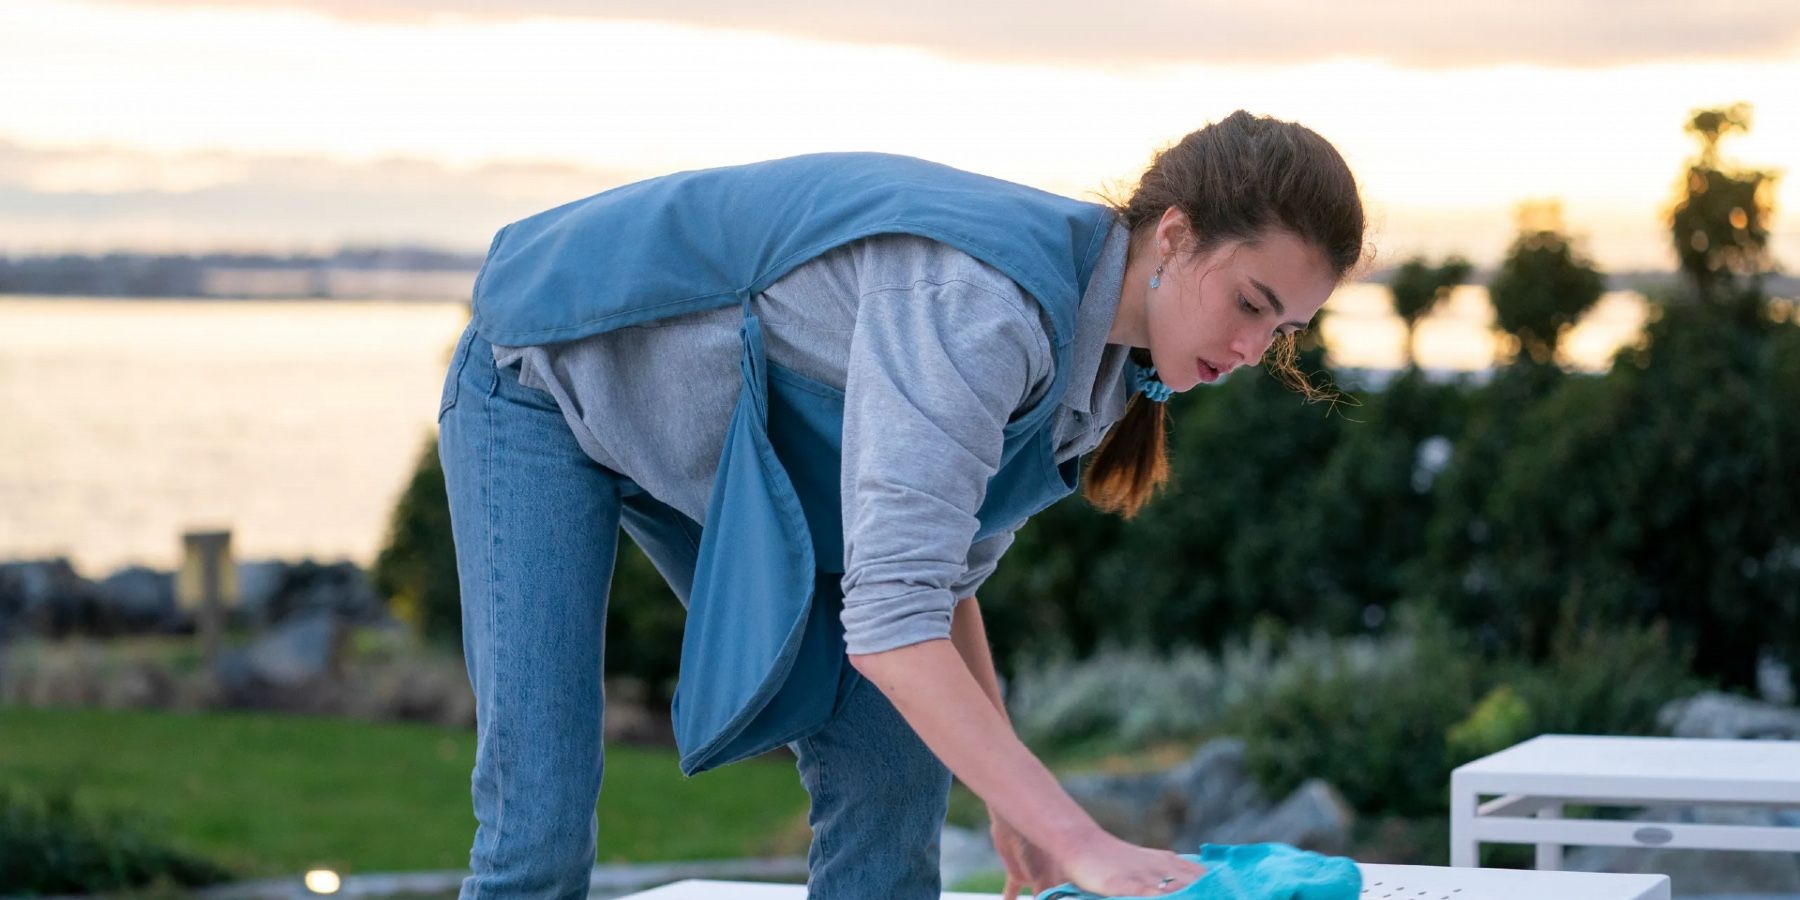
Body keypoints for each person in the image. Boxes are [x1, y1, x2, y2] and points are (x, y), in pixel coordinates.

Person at [435, 109, 1367, 900]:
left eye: (1281, 330)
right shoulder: (982, 308)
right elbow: (889, 628)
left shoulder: (1107, 381)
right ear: (1174, 234)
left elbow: (937, 576)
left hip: (718, 451)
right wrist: (1080, 839)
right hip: (546, 384)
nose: (1253, 350)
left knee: (893, 779)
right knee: (542, 819)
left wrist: (1012, 801)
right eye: (1250, 303)